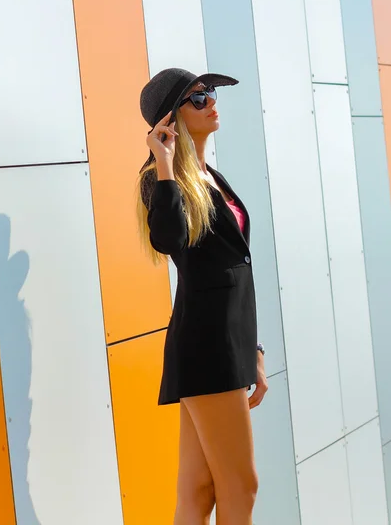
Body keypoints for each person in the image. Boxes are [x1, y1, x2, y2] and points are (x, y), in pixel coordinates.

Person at [136, 68, 268, 525]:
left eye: (211, 94)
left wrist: (253, 350)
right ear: (170, 119)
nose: (212, 102)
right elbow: (167, 238)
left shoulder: (212, 177)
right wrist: (165, 162)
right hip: (206, 345)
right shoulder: (162, 179)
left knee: (199, 491)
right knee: (241, 485)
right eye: (198, 98)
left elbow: (234, 270)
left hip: (224, 341)